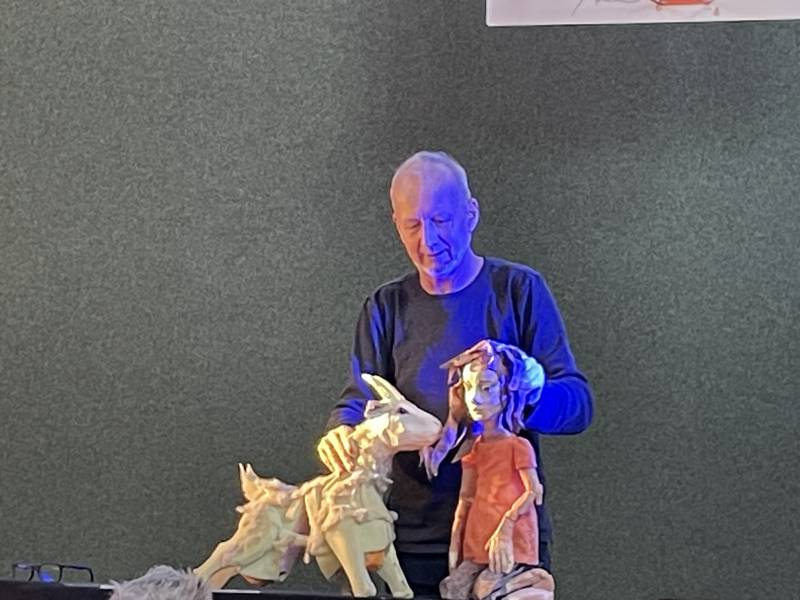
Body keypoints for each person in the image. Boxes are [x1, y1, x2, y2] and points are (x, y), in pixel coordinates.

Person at [317, 150, 593, 596]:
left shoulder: (518, 291)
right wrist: (341, 431)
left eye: (441, 221)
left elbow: (578, 406)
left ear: (471, 215)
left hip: (504, 546)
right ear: (396, 224)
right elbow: (358, 400)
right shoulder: (386, 307)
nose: (428, 241)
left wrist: (528, 389)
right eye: (412, 225)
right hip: (405, 542)